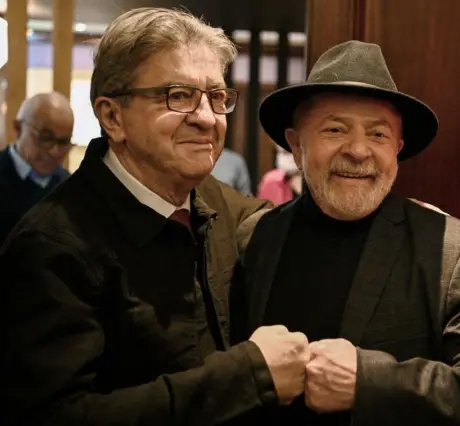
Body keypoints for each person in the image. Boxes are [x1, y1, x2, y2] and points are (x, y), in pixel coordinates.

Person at [0, 8, 310, 425]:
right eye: (178, 95)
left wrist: (393, 218)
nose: (206, 118)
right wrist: (249, 374)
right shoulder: (52, 245)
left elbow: (288, 225)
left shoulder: (210, 198)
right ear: (113, 117)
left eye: (217, 97)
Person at [232, 40, 460, 425]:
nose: (359, 150)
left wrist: (367, 381)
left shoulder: (455, 252)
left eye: (378, 135)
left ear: (398, 148)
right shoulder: (255, 238)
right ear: (296, 145)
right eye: (335, 129)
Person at [0, 92, 73, 244]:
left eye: (63, 142)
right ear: (18, 128)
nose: (54, 151)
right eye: (46, 138)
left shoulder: (68, 186)